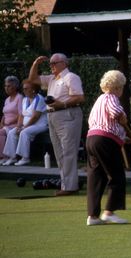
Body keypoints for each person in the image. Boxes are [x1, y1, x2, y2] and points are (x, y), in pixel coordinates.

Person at [28, 53, 85, 196]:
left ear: (64, 63)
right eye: (50, 63)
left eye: (54, 63)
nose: (51, 65)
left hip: (68, 113)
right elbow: (32, 79)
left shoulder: (71, 77)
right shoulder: (52, 79)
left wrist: (63, 103)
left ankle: (70, 187)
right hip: (53, 115)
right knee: (59, 152)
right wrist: (35, 63)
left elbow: (79, 97)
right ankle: (67, 184)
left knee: (68, 151)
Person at [86, 70, 131, 226]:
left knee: (96, 177)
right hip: (105, 141)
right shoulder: (111, 97)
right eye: (122, 87)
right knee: (117, 175)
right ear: (118, 87)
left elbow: (98, 122)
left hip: (92, 140)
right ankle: (109, 212)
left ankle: (92, 216)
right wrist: (124, 118)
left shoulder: (99, 100)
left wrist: (124, 137)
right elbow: (117, 113)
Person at [2, 80, 48, 166]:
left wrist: (24, 127)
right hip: (27, 125)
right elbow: (22, 115)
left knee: (24, 132)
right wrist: (19, 126)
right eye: (23, 89)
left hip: (40, 125)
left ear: (33, 89)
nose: (24, 90)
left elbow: (35, 117)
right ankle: (12, 157)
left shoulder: (39, 99)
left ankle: (25, 158)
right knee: (12, 132)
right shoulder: (25, 99)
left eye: (26, 89)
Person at [0, 76, 23, 164]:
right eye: (5, 86)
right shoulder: (7, 100)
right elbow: (4, 114)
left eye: (9, 86)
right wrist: (2, 123)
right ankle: (3, 157)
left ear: (15, 87)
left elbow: (21, 114)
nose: (6, 88)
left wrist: (12, 122)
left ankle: (4, 157)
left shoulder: (19, 98)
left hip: (15, 125)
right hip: (6, 126)